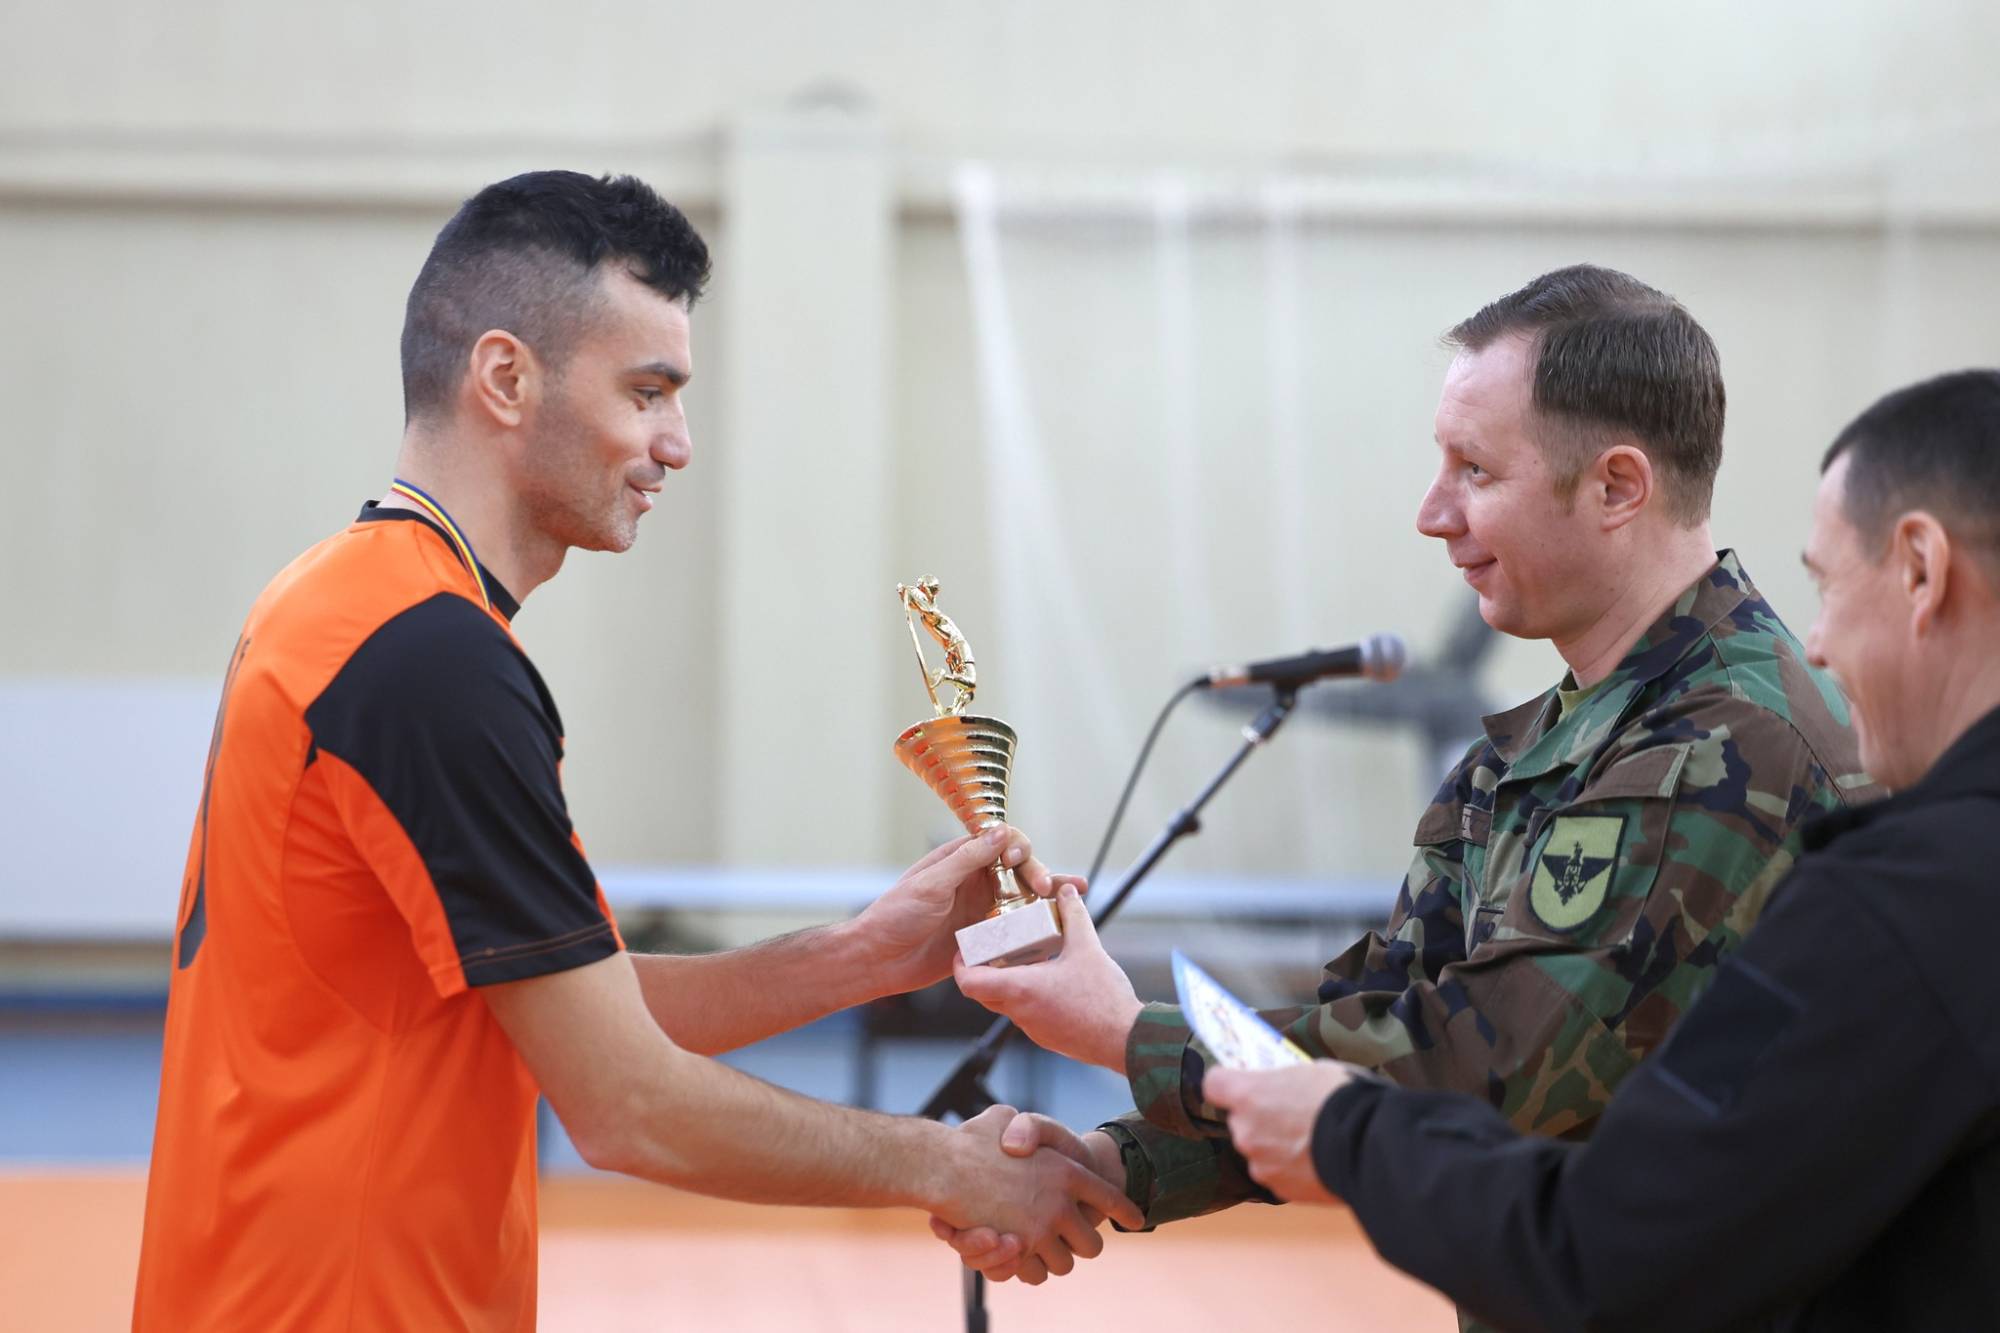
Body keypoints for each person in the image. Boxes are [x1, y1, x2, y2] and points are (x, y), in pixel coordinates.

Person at [130, 171, 1138, 1332]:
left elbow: (572, 1012)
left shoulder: (341, 604)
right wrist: (947, 1165)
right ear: (505, 378)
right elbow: (626, 1104)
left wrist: (861, 953)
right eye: (646, 392)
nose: (678, 444)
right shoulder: (430, 662)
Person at [934, 266, 1877, 1290]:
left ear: (1616, 487)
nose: (1433, 513)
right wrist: (1116, 1164)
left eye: (1475, 470)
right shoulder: (1542, 746)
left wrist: (1127, 1031)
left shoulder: (1728, 741)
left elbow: (1489, 1067)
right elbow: (1379, 1019)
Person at [1208, 368, 2000, 1331]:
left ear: (1920, 568)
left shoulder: (1898, 895)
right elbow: (1396, 991)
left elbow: (1608, 1239)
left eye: (1828, 586)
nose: (1820, 642)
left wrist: (1328, 1122)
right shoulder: (1524, 750)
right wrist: (1119, 1154)